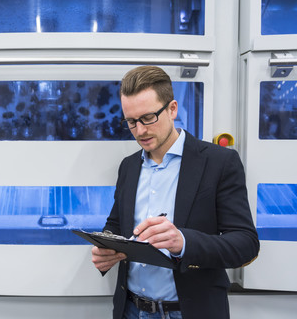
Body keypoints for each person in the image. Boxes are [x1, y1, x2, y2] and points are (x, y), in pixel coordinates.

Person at [91, 66, 259, 319]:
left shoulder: (219, 162)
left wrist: (184, 242)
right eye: (131, 121)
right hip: (131, 310)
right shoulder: (128, 166)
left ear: (172, 109)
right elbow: (116, 224)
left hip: (190, 311)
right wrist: (107, 246)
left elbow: (246, 244)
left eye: (148, 118)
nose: (140, 131)